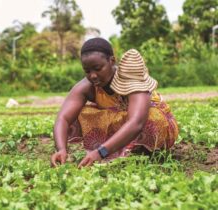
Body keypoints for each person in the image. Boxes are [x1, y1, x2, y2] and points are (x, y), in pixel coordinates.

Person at [51, 37, 179, 168]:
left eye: (97, 68)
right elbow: (63, 118)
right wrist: (61, 149)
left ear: (112, 61)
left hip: (152, 126)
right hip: (121, 124)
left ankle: (140, 152)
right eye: (87, 71)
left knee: (152, 119)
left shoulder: (131, 77)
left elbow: (136, 123)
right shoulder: (87, 86)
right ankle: (117, 150)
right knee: (81, 114)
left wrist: (100, 153)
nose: (93, 75)